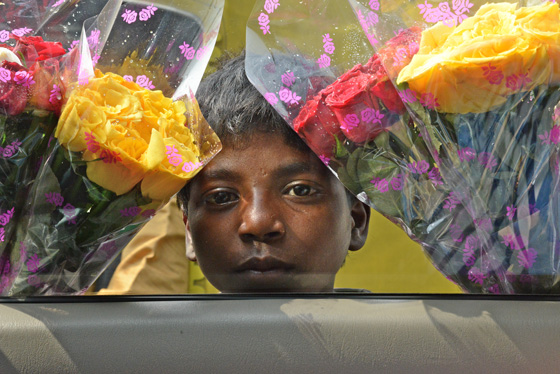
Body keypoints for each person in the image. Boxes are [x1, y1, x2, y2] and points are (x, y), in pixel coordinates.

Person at [176, 52, 371, 292]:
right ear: (188, 230)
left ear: (357, 220)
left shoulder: (401, 328)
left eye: (300, 190)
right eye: (221, 197)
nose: (258, 223)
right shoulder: (152, 330)